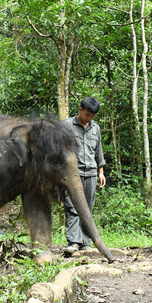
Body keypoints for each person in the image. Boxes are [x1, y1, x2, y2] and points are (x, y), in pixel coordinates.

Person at [62, 96, 106, 255]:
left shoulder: (96, 128)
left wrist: (101, 172)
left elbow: (98, 151)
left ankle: (86, 243)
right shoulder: (66, 125)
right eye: (87, 114)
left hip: (91, 173)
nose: (89, 118)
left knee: (87, 208)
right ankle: (74, 242)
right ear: (80, 110)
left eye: (92, 116)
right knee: (72, 206)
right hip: (73, 175)